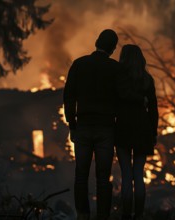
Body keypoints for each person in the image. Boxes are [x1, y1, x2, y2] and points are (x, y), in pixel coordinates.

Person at [63, 30, 144, 220]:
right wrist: (142, 99)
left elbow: (68, 96)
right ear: (113, 48)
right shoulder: (115, 69)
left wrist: (72, 124)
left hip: (82, 127)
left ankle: (82, 215)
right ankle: (102, 216)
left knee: (81, 176)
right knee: (103, 178)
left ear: (96, 42)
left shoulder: (79, 64)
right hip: (106, 128)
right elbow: (124, 95)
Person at [115, 44, 159, 220]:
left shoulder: (119, 79)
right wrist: (153, 132)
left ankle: (126, 214)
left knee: (126, 174)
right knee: (138, 175)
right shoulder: (147, 80)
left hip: (123, 129)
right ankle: (139, 215)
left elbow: (115, 103)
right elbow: (154, 110)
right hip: (142, 130)